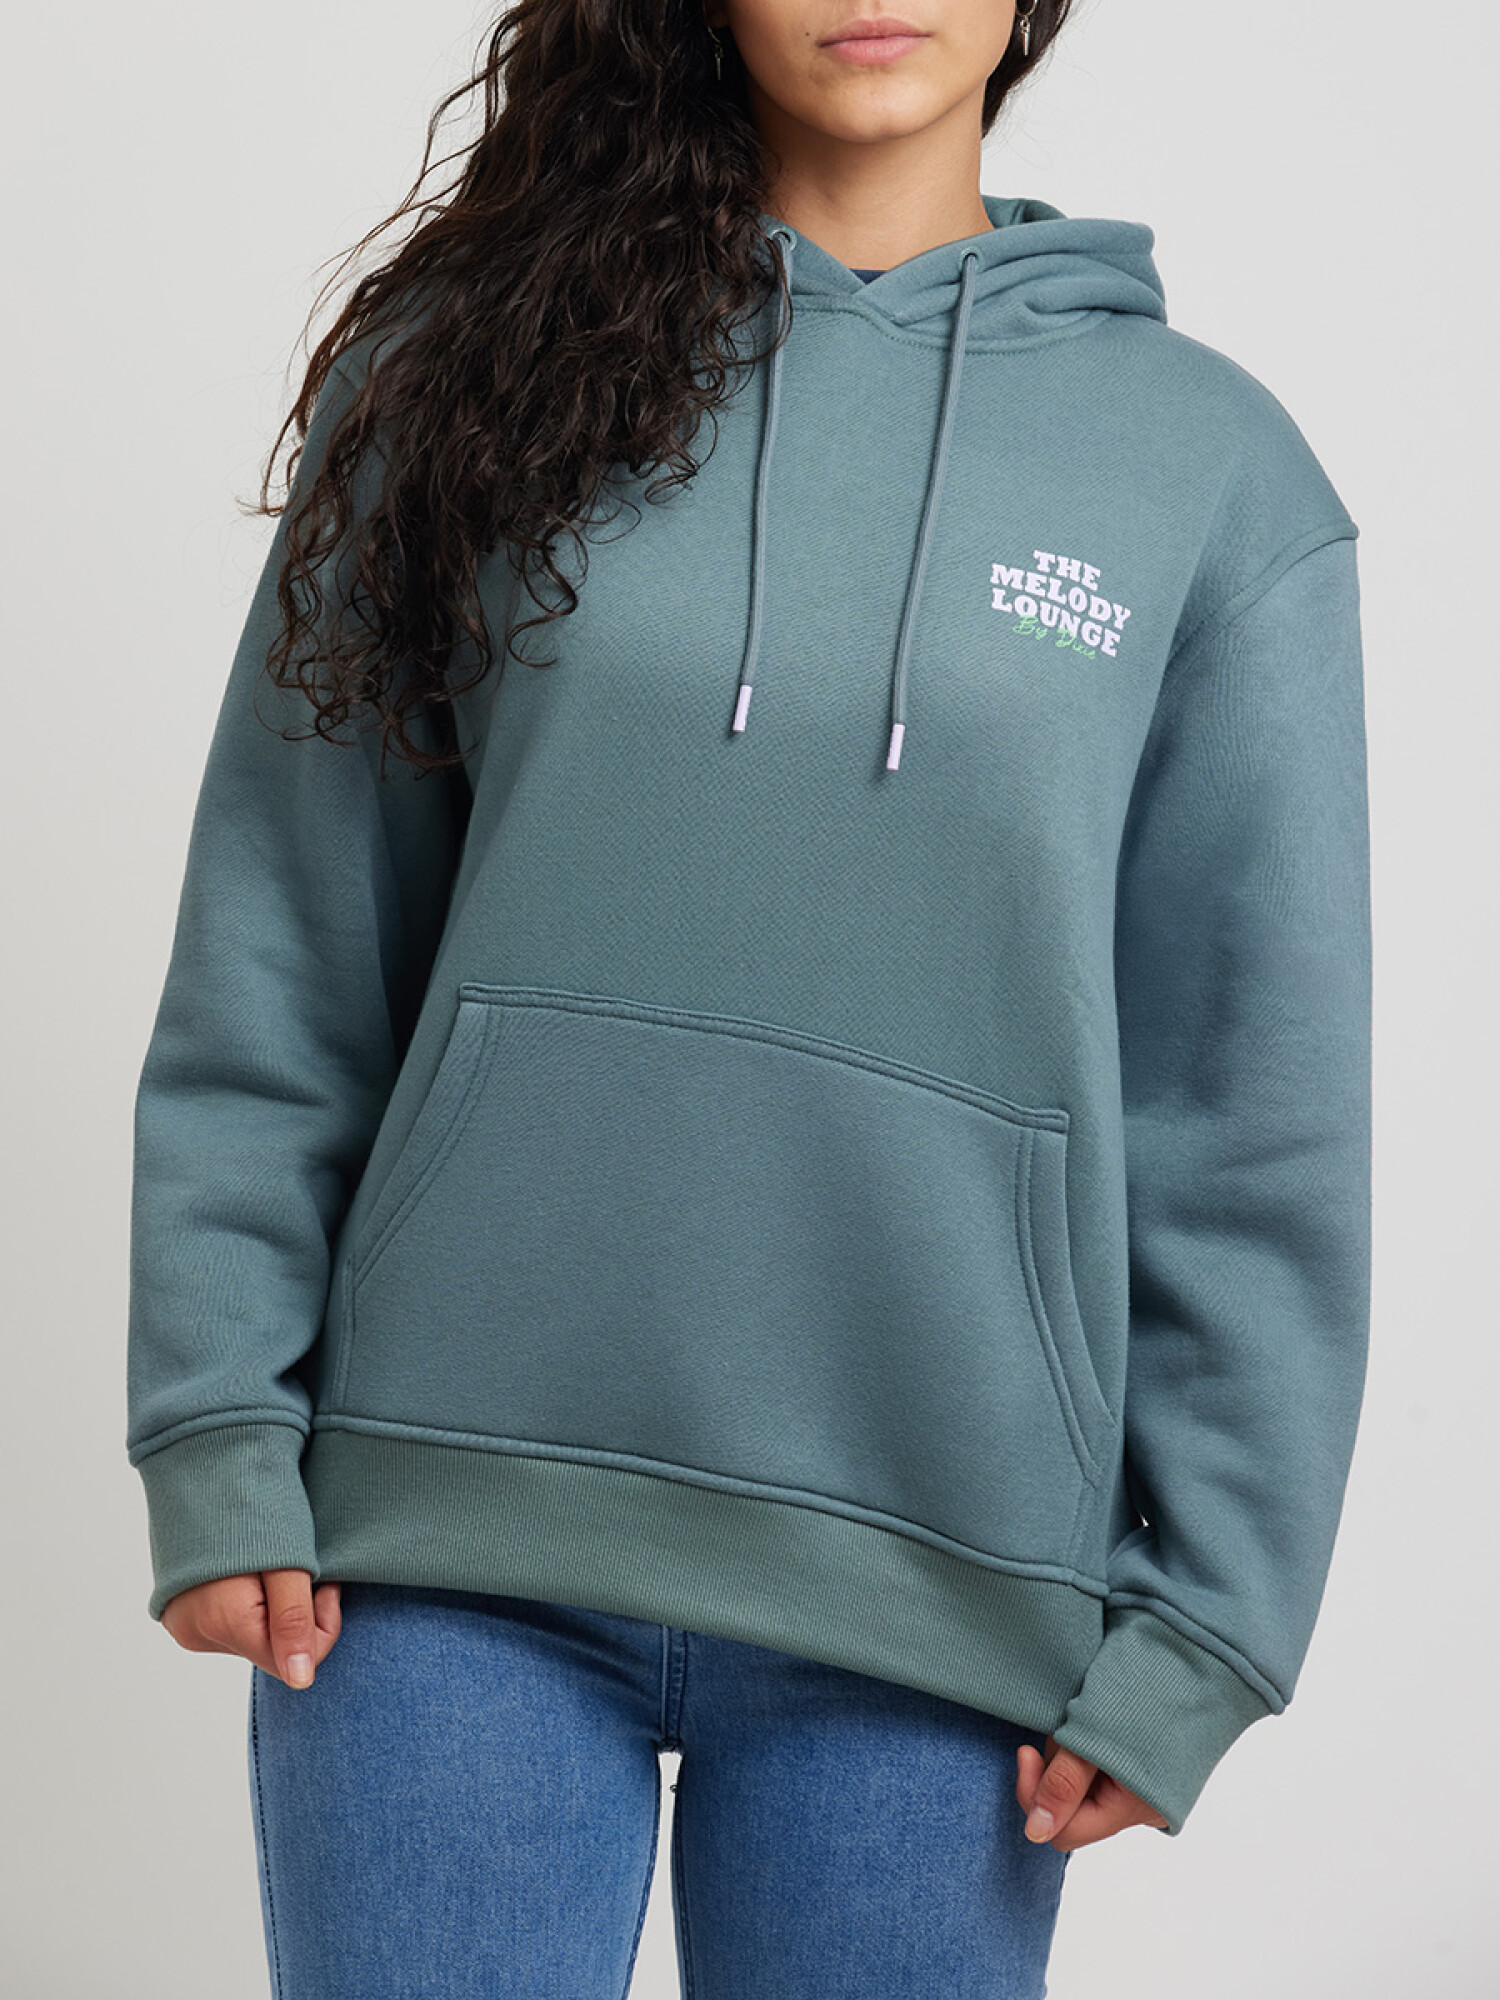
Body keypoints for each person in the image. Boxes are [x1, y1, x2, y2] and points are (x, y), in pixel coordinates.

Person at [125, 1, 1373, 1993]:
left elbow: (1256, 1097)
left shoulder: (1212, 480)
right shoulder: (465, 366)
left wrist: (1210, 1615)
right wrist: (215, 1425)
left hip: (944, 1597)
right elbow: (287, 940)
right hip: (440, 1553)